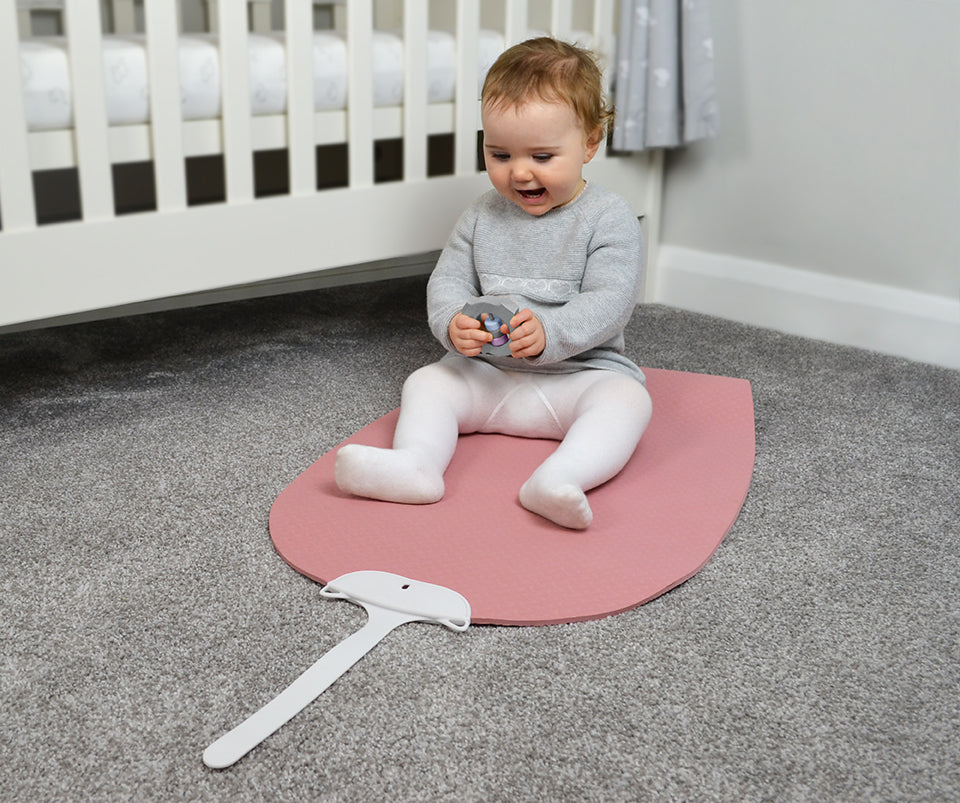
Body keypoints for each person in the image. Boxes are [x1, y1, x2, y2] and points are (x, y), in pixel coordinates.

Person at [335, 37, 652, 529]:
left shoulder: (609, 218)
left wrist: (551, 332)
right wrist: (452, 323)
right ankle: (417, 465)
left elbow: (611, 301)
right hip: (488, 376)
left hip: (578, 376)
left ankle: (559, 478)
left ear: (590, 142)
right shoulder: (481, 215)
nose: (519, 172)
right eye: (499, 153)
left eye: (542, 156)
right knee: (427, 383)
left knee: (628, 401)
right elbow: (448, 281)